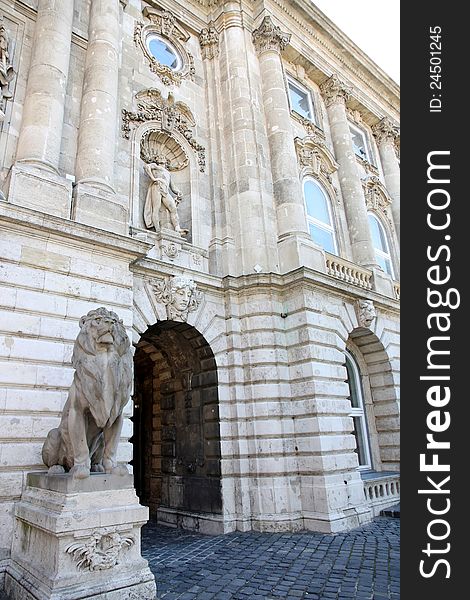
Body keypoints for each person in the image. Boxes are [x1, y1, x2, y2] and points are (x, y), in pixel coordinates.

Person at [143, 156, 188, 236]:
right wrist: (153, 178)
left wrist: (178, 192)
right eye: (160, 158)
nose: (161, 158)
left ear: (166, 161)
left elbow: (173, 187)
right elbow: (146, 167)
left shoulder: (168, 173)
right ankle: (157, 230)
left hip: (165, 190)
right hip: (157, 186)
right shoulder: (155, 166)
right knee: (156, 208)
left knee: (173, 208)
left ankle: (177, 228)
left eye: (163, 158)